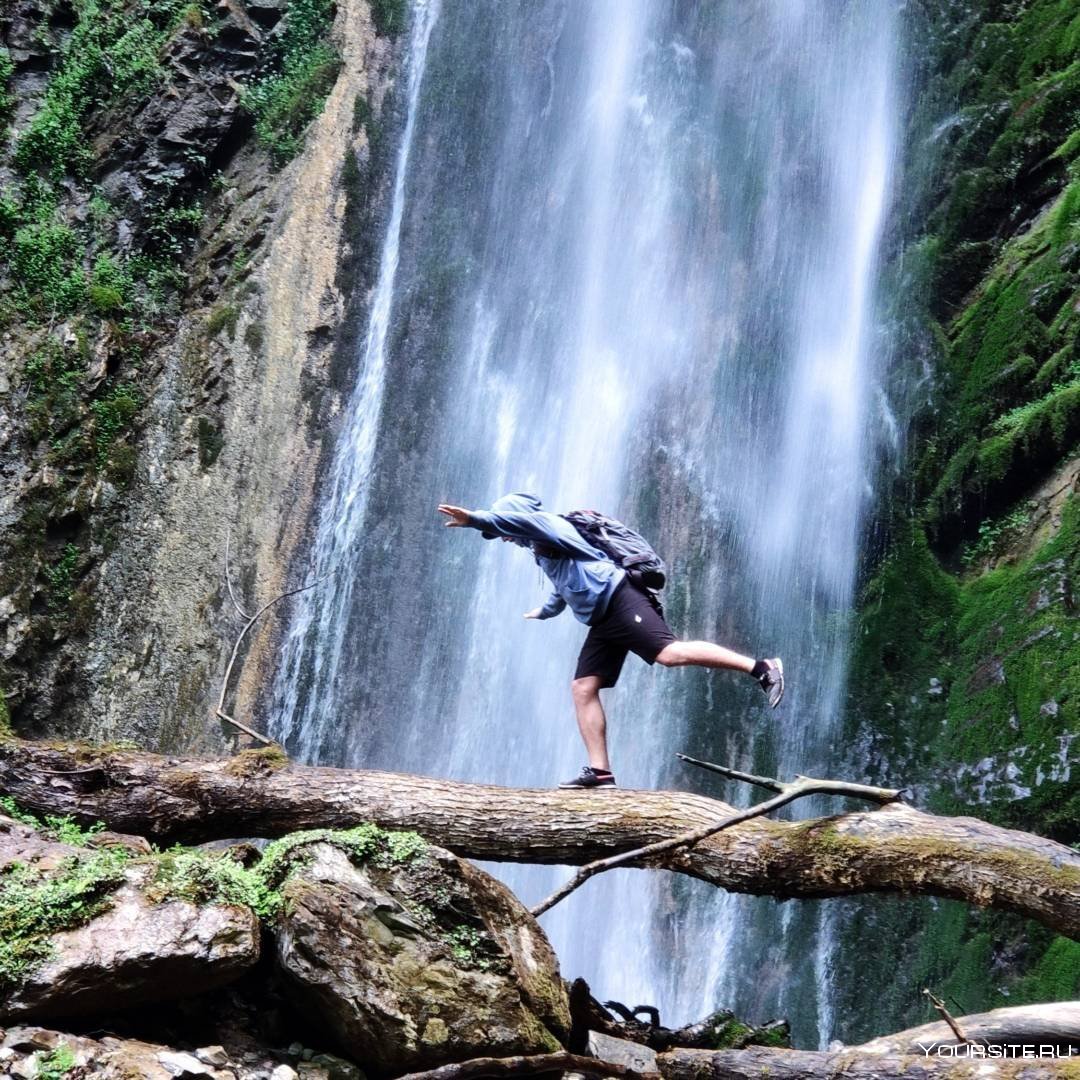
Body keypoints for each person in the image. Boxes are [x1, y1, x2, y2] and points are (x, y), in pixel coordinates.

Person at [438, 492, 784, 789]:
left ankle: (761, 668)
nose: (504, 538)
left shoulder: (549, 525)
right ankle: (601, 773)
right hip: (602, 618)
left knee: (669, 653)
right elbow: (564, 585)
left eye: (503, 529)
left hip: (620, 598)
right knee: (583, 688)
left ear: (516, 519)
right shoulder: (540, 546)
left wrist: (474, 519)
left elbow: (517, 528)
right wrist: (545, 611)